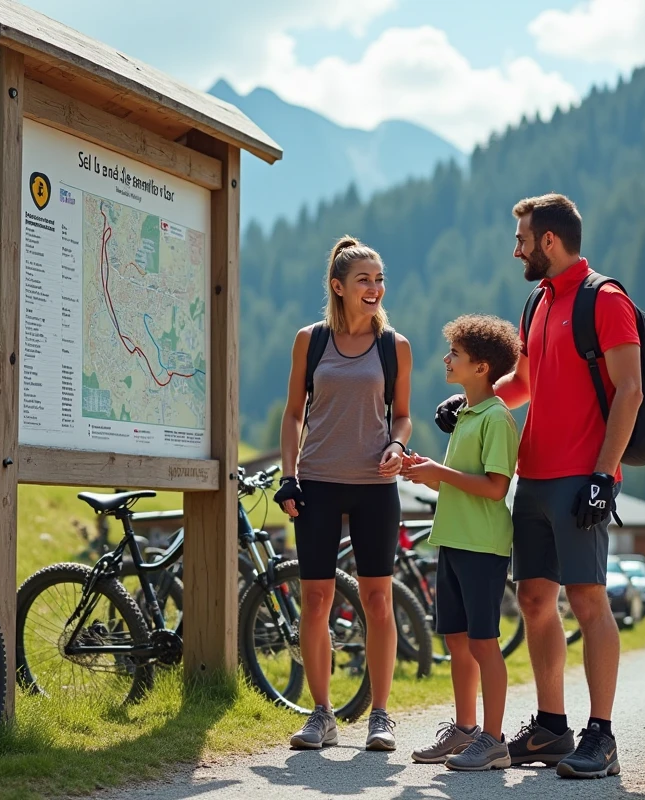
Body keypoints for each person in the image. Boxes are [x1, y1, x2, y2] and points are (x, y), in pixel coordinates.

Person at [435, 193, 642, 779]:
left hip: (583, 478)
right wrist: (475, 400)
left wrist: (604, 473)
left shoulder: (606, 301)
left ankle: (600, 736)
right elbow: (524, 381)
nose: (516, 249)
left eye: (522, 239)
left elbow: (630, 390)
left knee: (587, 600)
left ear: (548, 240)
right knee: (533, 600)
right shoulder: (536, 302)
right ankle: (553, 726)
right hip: (534, 475)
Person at [274, 235, 413, 752]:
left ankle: (380, 714)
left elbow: (402, 414)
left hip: (375, 486)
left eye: (379, 279)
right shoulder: (310, 341)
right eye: (364, 280)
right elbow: (292, 414)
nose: (375, 288)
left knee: (378, 600)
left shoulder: (393, 346)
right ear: (338, 286)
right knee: (316, 601)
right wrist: (289, 475)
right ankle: (322, 714)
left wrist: (398, 444)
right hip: (317, 482)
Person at [403, 315, 520, 771]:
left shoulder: (496, 418)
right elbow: (458, 485)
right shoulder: (468, 416)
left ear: (482, 368)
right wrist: (426, 472)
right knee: (456, 639)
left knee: (484, 641)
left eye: (456, 354)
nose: (446, 359)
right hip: (452, 541)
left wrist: (440, 473)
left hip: (483, 546)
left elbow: (494, 487)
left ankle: (494, 740)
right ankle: (466, 730)